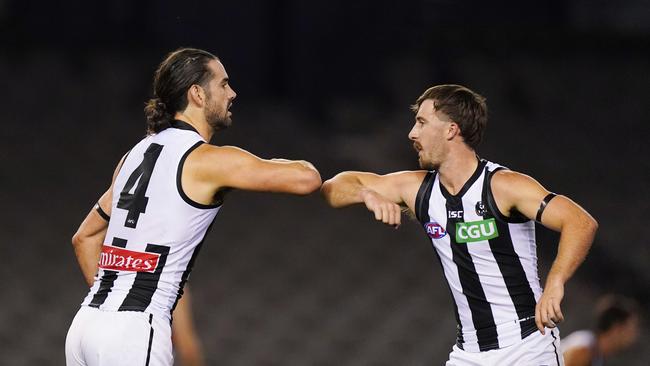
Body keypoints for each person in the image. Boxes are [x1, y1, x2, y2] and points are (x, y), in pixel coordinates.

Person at [65, 48, 321, 366]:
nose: (233, 93)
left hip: (86, 324)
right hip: (134, 330)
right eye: (224, 84)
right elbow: (307, 179)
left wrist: (113, 308)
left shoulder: (132, 156)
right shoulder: (208, 160)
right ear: (198, 94)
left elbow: (84, 238)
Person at [321, 84, 598, 365]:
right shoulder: (418, 190)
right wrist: (367, 194)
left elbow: (580, 222)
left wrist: (555, 283)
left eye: (421, 122)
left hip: (526, 346)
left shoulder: (504, 186)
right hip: (469, 353)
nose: (412, 134)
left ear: (451, 130)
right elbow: (333, 187)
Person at [562, 295, 640, 366]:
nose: (635, 335)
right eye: (631, 329)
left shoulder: (598, 356)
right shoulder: (584, 349)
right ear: (617, 328)